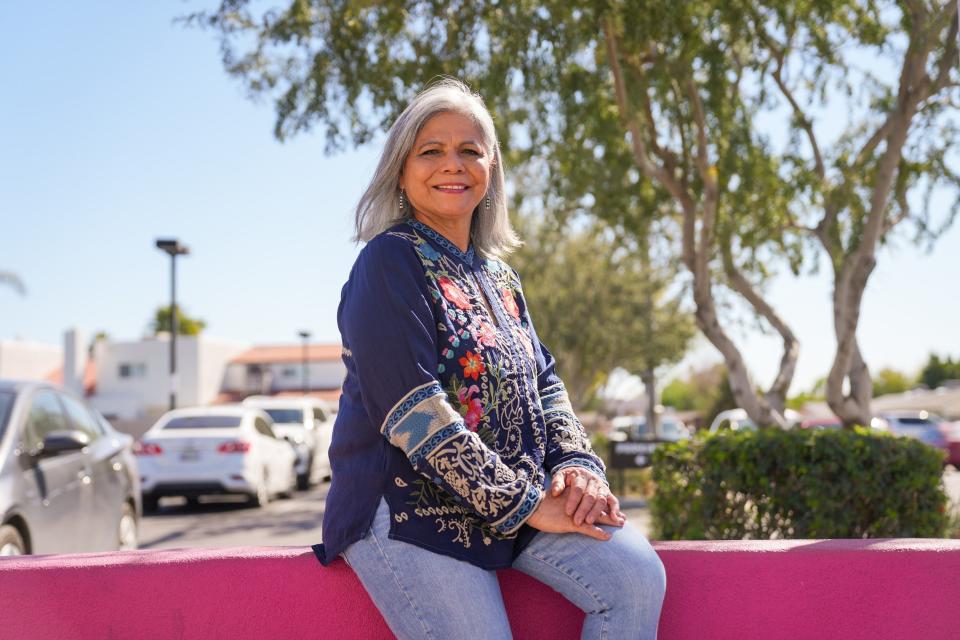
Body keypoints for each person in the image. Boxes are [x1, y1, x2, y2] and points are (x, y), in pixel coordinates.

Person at [312, 79, 666, 639]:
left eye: (470, 151)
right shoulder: (388, 263)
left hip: (512, 503)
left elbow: (543, 383)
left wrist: (578, 469)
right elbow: (412, 409)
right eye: (431, 151)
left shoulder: (499, 277)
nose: (452, 164)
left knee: (634, 577)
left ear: (491, 168)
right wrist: (525, 504)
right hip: (408, 510)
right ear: (401, 170)